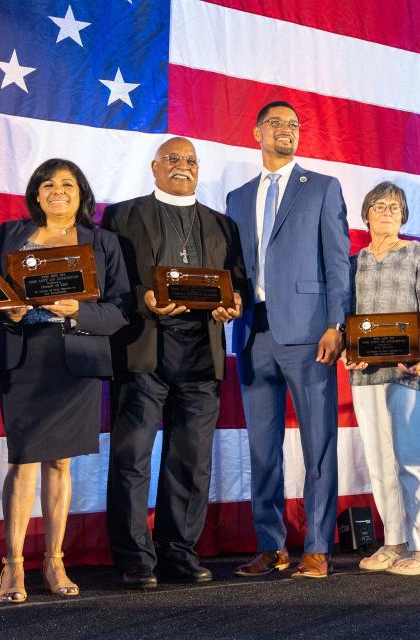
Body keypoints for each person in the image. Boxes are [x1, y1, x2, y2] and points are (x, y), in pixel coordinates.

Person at [0, 159, 130, 603]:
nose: (57, 191)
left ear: (81, 193)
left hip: (76, 358)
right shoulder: (11, 235)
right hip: (23, 357)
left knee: (60, 463)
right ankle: (12, 565)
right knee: (22, 460)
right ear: (36, 194)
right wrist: (6, 309)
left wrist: (78, 310)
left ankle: (54, 559)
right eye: (48, 184)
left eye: (67, 184)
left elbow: (121, 308)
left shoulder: (103, 243)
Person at [102, 137, 247, 589]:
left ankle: (179, 552)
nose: (182, 167)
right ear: (154, 166)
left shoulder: (223, 225)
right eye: (173, 160)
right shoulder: (122, 215)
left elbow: (236, 282)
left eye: (190, 161)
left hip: (201, 356)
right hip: (143, 349)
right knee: (132, 459)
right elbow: (110, 279)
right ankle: (133, 558)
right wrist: (143, 297)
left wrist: (233, 304)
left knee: (191, 460)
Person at [226, 101, 350, 579]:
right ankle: (270, 545)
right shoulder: (237, 197)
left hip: (310, 332)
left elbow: (338, 261)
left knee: (319, 443)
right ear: (257, 132)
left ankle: (317, 546)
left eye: (294, 125)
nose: (287, 130)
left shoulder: (321, 187)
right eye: (276, 123)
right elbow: (236, 268)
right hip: (253, 332)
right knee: (262, 445)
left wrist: (336, 325)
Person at [342, 182, 420, 576]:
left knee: (412, 459)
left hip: (412, 372)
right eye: (379, 206)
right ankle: (393, 541)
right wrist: (352, 351)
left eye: (395, 207)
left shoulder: (419, 254)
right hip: (368, 375)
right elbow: (347, 313)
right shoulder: (354, 262)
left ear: (404, 216)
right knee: (380, 461)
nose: (387, 212)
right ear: (365, 214)